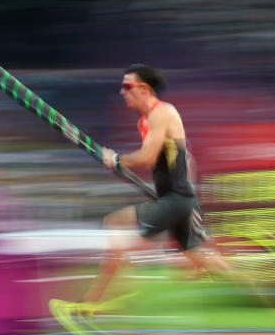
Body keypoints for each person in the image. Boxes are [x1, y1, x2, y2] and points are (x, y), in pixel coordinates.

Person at [82, 63, 229, 305]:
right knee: (207, 262)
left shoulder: (163, 113)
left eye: (126, 86)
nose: (122, 92)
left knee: (115, 224)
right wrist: (186, 200)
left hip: (176, 200)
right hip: (176, 200)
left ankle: (98, 301)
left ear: (144, 88)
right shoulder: (146, 121)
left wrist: (116, 159)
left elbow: (148, 157)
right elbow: (184, 159)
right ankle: (258, 288)